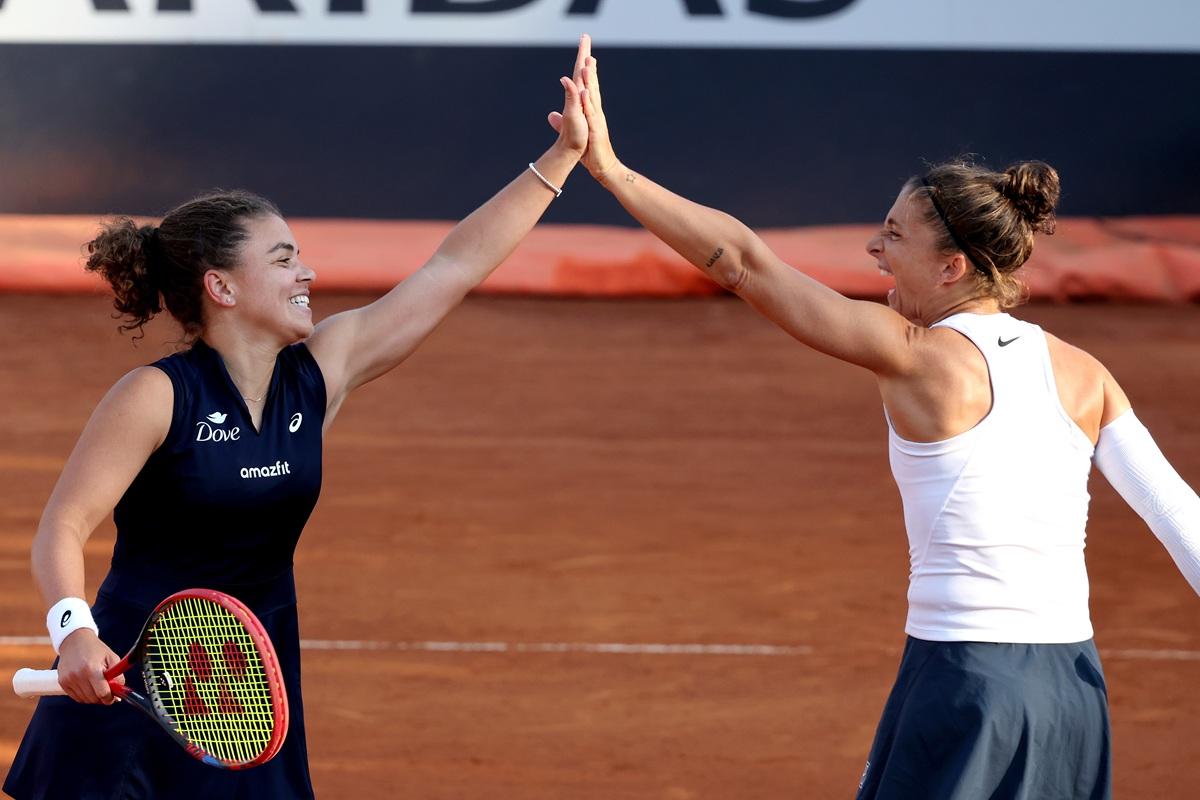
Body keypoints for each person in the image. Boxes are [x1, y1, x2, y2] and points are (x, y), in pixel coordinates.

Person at [556, 35, 1200, 799]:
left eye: (894, 235)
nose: (872, 247)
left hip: (966, 685)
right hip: (1073, 695)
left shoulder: (916, 355)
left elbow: (741, 262)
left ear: (952, 267)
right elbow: (1175, 511)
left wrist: (611, 170)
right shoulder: (1086, 375)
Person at [4, 41, 593, 800]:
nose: (307, 273)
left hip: (248, 692)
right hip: (129, 681)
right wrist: (72, 631)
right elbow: (64, 523)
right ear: (220, 286)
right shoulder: (155, 397)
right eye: (283, 260)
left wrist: (562, 157)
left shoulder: (323, 370)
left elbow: (453, 266)